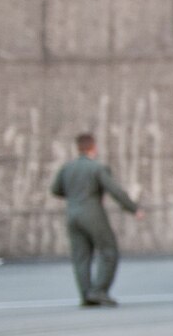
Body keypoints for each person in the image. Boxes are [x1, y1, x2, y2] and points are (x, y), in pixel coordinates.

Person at [50, 132, 142, 308]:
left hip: (72, 215)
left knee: (81, 257)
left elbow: (55, 190)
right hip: (92, 213)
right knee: (108, 250)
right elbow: (115, 191)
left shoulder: (67, 168)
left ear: (78, 148)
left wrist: (74, 196)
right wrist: (133, 208)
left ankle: (86, 295)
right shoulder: (97, 168)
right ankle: (99, 291)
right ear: (93, 147)